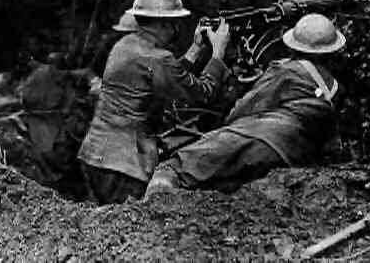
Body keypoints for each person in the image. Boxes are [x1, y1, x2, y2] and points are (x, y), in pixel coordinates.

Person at [145, 13, 346, 198]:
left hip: (264, 138)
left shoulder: (287, 71)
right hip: (294, 155)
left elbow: (242, 111)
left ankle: (151, 216)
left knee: (173, 168)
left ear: (293, 46)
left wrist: (218, 55)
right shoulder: (333, 87)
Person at [77, 0, 231, 204]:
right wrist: (218, 54)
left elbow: (166, 77)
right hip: (124, 166)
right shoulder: (158, 58)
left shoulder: (126, 45)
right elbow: (203, 94)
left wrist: (196, 50)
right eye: (173, 23)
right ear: (161, 24)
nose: (176, 30)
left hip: (96, 155)